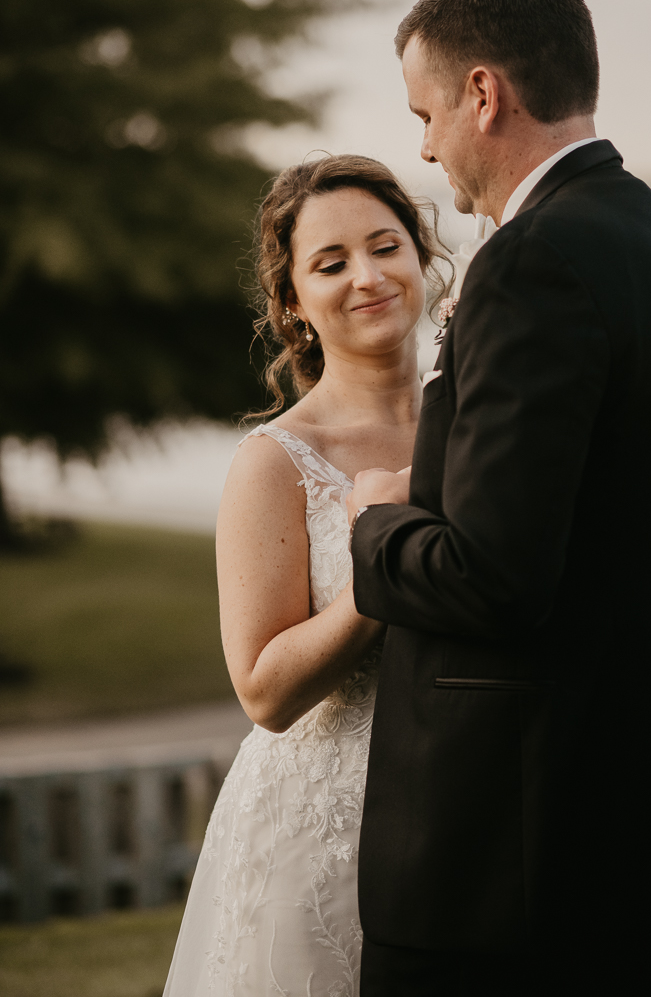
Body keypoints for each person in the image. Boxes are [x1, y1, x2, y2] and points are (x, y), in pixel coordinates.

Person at [347, 0, 651, 996]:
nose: (424, 149)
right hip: (615, 836)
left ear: (482, 94)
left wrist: (377, 520)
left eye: (422, 114)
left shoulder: (532, 263)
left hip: (501, 859)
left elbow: (492, 573)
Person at [163, 154, 446, 997]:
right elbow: (263, 692)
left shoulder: (478, 427)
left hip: (466, 814)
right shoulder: (275, 463)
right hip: (323, 832)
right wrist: (380, 558)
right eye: (330, 263)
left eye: (386, 246)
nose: (368, 277)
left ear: (420, 257)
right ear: (293, 302)